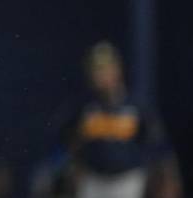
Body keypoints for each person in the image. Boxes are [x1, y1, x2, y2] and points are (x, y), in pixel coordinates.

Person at [54, 42, 181, 198]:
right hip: (93, 179)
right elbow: (66, 142)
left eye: (105, 69)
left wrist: (170, 178)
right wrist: (72, 166)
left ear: (117, 69)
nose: (100, 75)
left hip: (128, 180)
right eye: (96, 70)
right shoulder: (84, 107)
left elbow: (159, 145)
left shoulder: (136, 106)